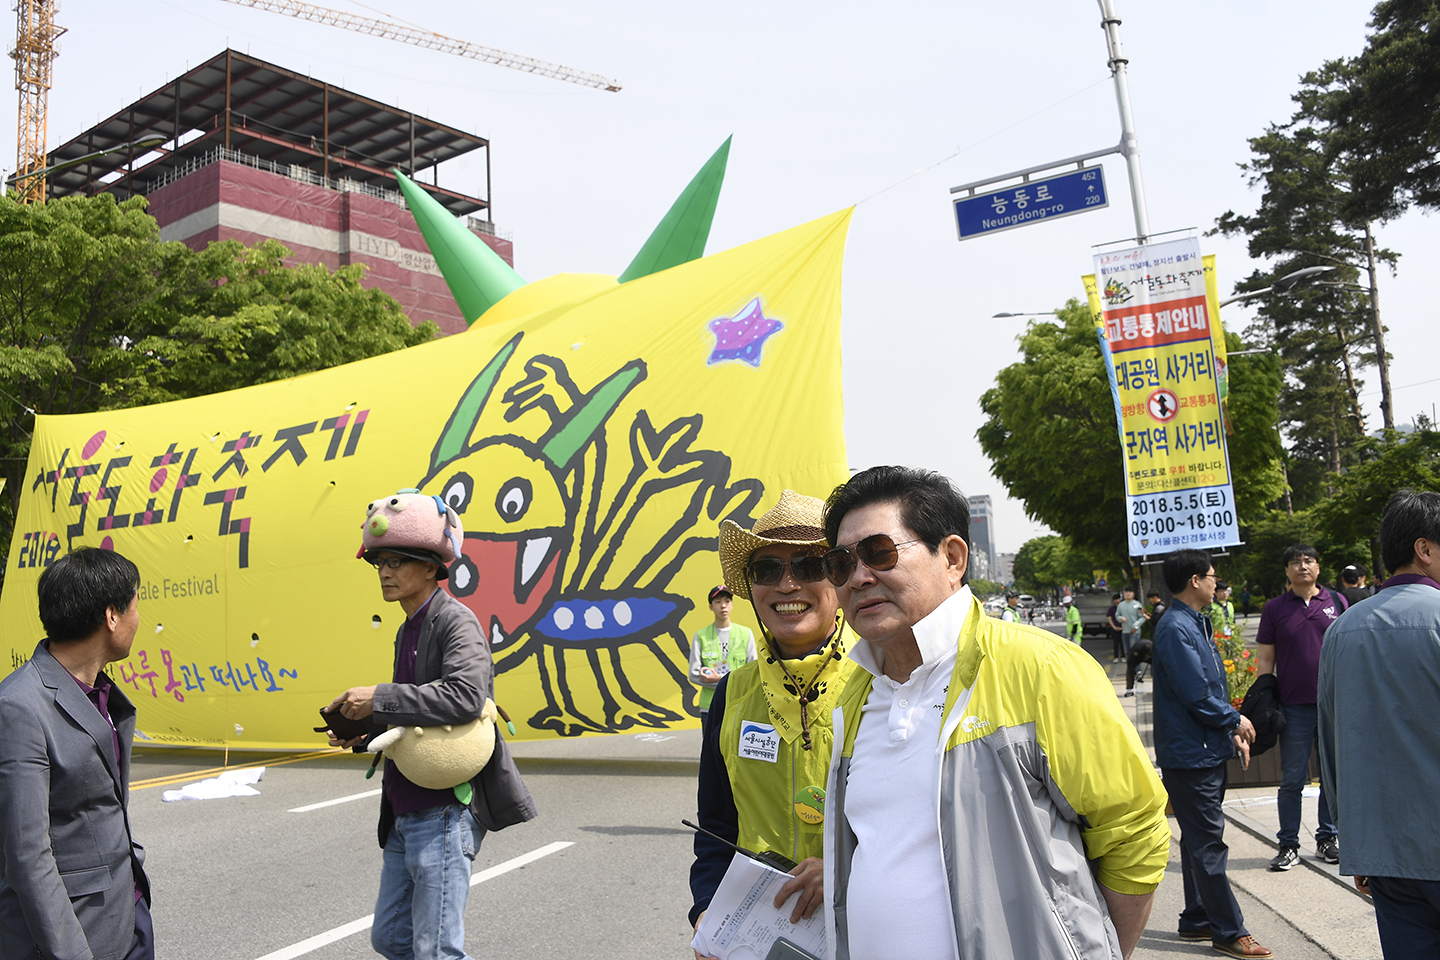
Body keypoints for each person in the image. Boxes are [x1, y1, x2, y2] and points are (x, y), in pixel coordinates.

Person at [819, 466, 1170, 960]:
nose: (858, 576)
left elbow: (1134, 835)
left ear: (954, 558)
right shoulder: (855, 693)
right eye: (840, 564)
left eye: (879, 552)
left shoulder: (1042, 667)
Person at [327, 491, 536, 960]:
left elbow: (464, 697)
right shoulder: (408, 627)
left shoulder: (456, 621)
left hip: (445, 810)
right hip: (405, 806)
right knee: (392, 938)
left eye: (397, 560)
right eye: (378, 561)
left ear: (430, 567)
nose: (385, 571)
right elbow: (416, 712)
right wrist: (364, 728)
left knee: (436, 949)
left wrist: (378, 696)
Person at [689, 490, 857, 957]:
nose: (787, 585)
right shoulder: (732, 694)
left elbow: (923, 828)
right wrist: (706, 908)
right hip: (758, 939)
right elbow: (715, 828)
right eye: (767, 569)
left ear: (839, 578)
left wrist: (846, 868)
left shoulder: (881, 681)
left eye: (808, 566)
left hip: (866, 927)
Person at [0, 547, 154, 960]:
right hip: (76, 937)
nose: (140, 619)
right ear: (112, 616)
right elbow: (27, 855)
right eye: (136, 605)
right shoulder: (19, 707)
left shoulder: (102, 694)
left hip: (126, 914)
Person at [1319, 490, 1440, 957]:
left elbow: (1329, 745)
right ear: (1424, 549)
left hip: (1385, 848)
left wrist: (1353, 838)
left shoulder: (1341, 630)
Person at [1151, 549, 1272, 959]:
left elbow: (1207, 691)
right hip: (1190, 755)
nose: (1216, 584)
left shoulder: (1193, 623)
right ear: (1194, 581)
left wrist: (1227, 730)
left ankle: (1198, 917)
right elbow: (1196, 693)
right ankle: (1229, 930)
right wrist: (1234, 721)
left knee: (1198, 840)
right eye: (1212, 578)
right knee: (1208, 845)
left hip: (1199, 749)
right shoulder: (1176, 628)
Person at [1255, 543, 1347, 872]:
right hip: (1293, 708)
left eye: (1308, 561)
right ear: (1287, 571)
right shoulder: (1275, 609)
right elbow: (1266, 659)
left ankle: (1328, 837)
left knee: (1332, 778)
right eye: (1295, 562)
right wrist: (1263, 697)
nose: (1302, 566)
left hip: (1333, 706)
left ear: (1319, 568)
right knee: (1292, 779)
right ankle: (1288, 844)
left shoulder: (1337, 602)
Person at [688, 584, 757, 733]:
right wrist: (728, 681)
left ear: (732, 605)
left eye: (727, 601)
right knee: (711, 753)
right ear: (711, 607)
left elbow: (753, 672)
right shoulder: (701, 635)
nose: (723, 606)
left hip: (739, 704)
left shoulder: (746, 634)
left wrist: (718, 679)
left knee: (735, 753)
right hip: (709, 706)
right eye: (718, 602)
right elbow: (693, 674)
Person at [1116, 586, 1147, 660]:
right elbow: (1117, 615)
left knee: (1135, 651)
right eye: (1126, 592)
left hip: (1134, 632)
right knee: (1127, 651)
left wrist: (1135, 626)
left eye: (1130, 592)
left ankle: (1137, 670)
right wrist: (1120, 619)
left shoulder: (1137, 605)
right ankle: (1130, 669)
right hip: (1125, 631)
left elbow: (1143, 617)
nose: (1128, 594)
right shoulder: (1121, 605)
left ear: (1134, 594)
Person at [1107, 591, 1124, 663]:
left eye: (1118, 599)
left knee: (1123, 643)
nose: (1117, 601)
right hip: (1115, 628)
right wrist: (1113, 627)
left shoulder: (1124, 608)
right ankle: (1116, 656)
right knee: (1115, 643)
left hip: (1124, 628)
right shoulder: (1112, 609)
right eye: (1115, 599)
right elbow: (1109, 618)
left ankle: (1123, 656)